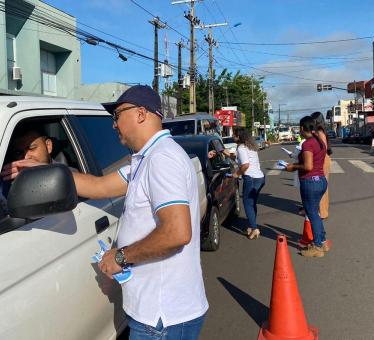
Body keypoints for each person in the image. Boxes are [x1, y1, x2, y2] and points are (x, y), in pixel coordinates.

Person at [73, 85, 208, 339]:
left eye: (117, 115)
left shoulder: (161, 159)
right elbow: (97, 186)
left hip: (163, 319)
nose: (114, 125)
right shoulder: (146, 159)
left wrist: (120, 257)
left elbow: (176, 233)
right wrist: (43, 167)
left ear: (141, 113)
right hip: (158, 315)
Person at [286, 116, 329, 257]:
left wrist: (293, 166)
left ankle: (317, 246)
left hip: (311, 182)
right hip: (321, 180)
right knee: (315, 213)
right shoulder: (319, 140)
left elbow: (308, 166)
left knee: (312, 214)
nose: (299, 131)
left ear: (303, 128)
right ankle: (321, 241)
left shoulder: (308, 144)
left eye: (300, 128)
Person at [232, 128, 265, 240]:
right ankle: (252, 225)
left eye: (234, 135)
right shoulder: (251, 146)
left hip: (251, 178)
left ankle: (255, 229)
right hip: (260, 177)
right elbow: (241, 160)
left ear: (239, 136)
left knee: (247, 204)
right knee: (252, 203)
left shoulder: (241, 148)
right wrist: (225, 153)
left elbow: (245, 165)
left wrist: (237, 173)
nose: (232, 136)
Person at [310, 112, 331, 220]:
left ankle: (323, 213)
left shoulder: (320, 132)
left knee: (321, 187)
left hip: (322, 161)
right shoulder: (318, 131)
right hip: (322, 159)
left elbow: (323, 149)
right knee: (321, 186)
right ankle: (320, 210)